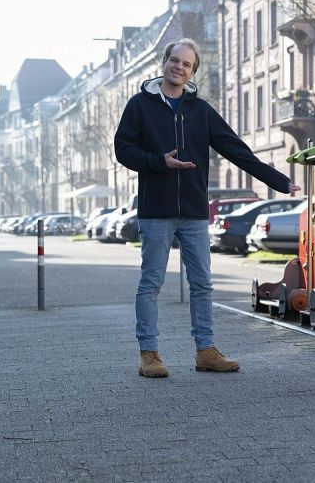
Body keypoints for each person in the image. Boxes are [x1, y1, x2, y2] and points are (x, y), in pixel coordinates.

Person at [114, 38, 300, 379]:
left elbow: (235, 149)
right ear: (165, 62)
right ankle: (149, 354)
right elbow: (123, 150)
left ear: (192, 71)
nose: (178, 67)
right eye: (174, 60)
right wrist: (159, 162)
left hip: (195, 211)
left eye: (186, 64)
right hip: (156, 210)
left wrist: (279, 181)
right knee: (151, 283)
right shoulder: (140, 105)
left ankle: (205, 351)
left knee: (202, 284)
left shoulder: (199, 110)